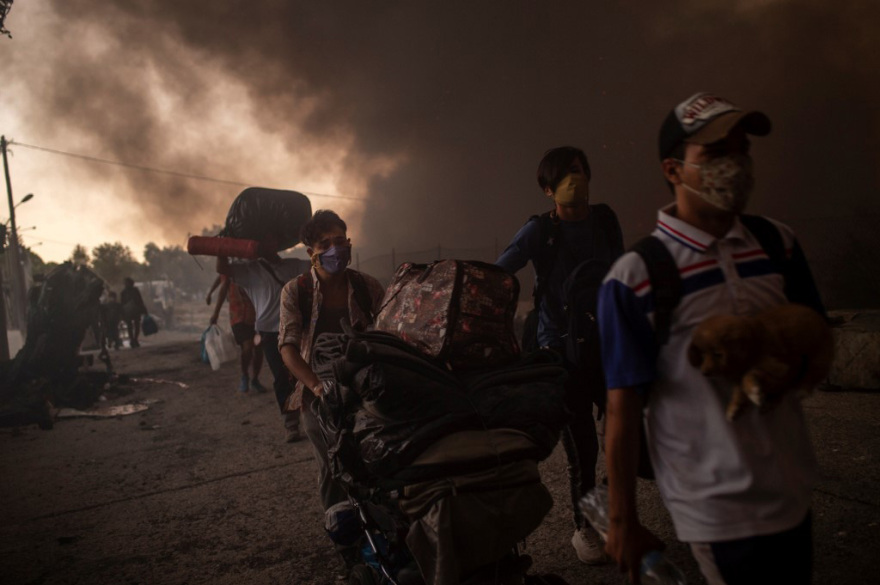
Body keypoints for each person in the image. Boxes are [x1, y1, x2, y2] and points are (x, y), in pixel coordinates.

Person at [598, 92, 825, 585]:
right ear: (674, 169)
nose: (735, 165)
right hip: (716, 506)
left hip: (792, 490)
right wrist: (622, 522)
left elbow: (815, 345)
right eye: (715, 154)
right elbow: (622, 408)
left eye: (741, 150)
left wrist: (789, 367)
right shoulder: (635, 276)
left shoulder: (777, 244)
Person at [496, 146, 624, 564]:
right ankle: (586, 529)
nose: (575, 180)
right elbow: (499, 274)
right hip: (561, 353)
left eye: (579, 171)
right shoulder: (538, 232)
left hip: (608, 347)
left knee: (631, 438)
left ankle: (607, 507)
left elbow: (622, 274)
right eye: (565, 176)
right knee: (583, 448)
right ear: (548, 189)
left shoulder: (604, 221)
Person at [278, 210, 384, 569]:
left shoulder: (368, 287)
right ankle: (348, 553)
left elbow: (387, 336)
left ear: (349, 243)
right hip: (318, 394)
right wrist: (317, 387)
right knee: (333, 468)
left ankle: (388, 539)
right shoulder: (297, 291)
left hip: (366, 388)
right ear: (311, 251)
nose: (335, 249)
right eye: (326, 244)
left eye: (340, 241)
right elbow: (288, 348)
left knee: (382, 458)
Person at [216, 249, 309, 442]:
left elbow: (317, 265)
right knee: (282, 377)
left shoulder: (293, 265)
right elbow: (222, 269)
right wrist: (221, 248)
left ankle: (315, 419)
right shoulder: (250, 271)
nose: (269, 243)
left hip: (299, 328)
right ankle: (291, 423)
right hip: (269, 332)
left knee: (307, 372)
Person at [208, 275, 266, 394]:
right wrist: (215, 312)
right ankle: (244, 375)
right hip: (238, 317)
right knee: (248, 346)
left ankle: (254, 379)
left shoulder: (254, 267)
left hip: (257, 317)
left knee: (259, 349)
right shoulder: (231, 270)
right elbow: (222, 283)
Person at [120, 277, 147, 348]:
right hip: (136, 311)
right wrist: (144, 310)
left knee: (130, 326)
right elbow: (140, 301)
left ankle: (132, 340)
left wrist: (122, 313)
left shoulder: (123, 292)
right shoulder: (135, 290)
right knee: (136, 325)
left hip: (128, 311)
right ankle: (134, 339)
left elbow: (122, 303)